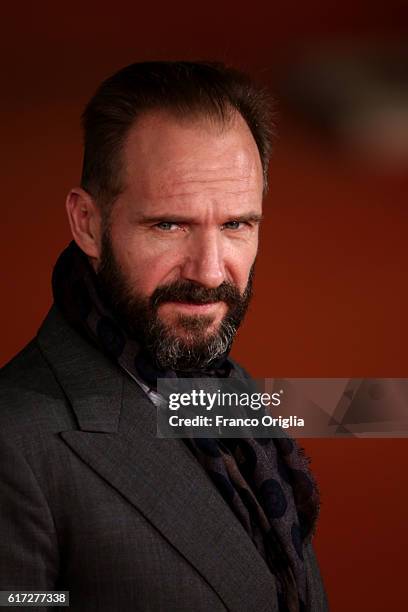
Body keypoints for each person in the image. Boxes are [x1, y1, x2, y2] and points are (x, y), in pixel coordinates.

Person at [0, 61, 328, 612]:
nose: (209, 271)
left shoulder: (237, 400)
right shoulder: (17, 442)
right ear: (87, 223)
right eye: (168, 225)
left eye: (236, 225)